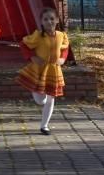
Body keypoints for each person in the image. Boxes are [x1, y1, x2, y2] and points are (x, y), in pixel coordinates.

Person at [16, 7, 69, 135]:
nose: (49, 22)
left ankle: (44, 126)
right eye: (46, 19)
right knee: (41, 101)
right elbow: (23, 44)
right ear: (41, 21)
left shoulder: (61, 35)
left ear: (56, 20)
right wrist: (33, 57)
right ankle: (35, 91)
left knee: (51, 98)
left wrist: (62, 59)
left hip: (53, 70)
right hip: (39, 70)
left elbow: (65, 47)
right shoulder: (38, 36)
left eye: (52, 19)